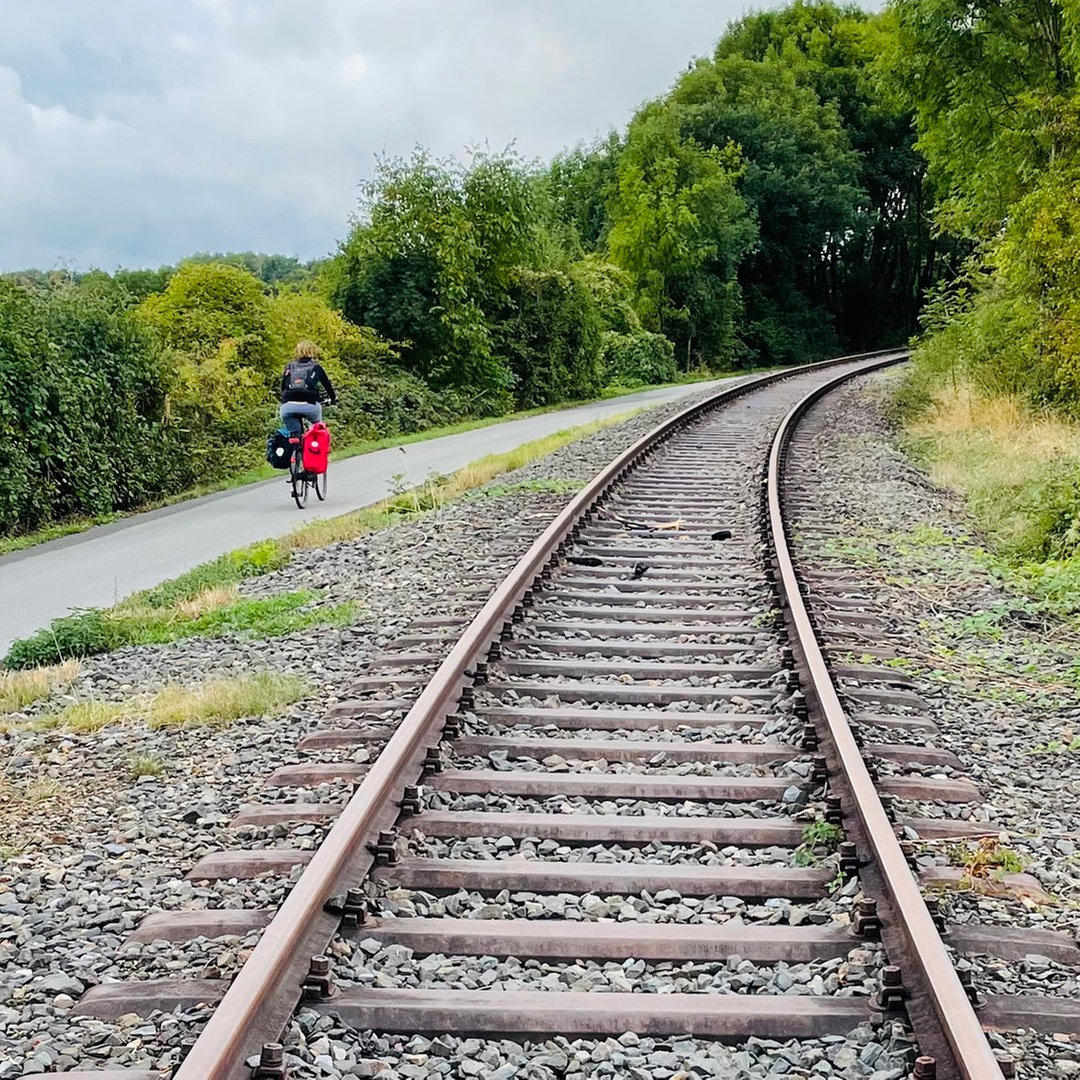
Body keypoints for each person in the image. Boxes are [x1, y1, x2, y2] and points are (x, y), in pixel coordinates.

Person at [279, 341, 337, 436]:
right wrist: (333, 398)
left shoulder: (289, 366)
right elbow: (327, 385)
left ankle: (295, 443)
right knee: (317, 428)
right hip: (310, 405)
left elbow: (283, 387)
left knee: (293, 432)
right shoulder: (316, 367)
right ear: (313, 351)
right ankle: (314, 441)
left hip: (288, 406)